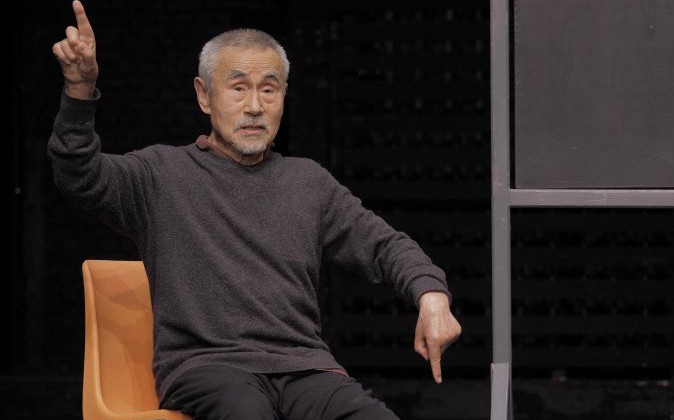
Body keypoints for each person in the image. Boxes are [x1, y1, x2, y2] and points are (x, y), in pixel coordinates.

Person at [49, 1, 462, 419]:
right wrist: (80, 92)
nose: (254, 106)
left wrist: (431, 295)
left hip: (303, 368)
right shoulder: (161, 174)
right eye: (238, 88)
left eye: (268, 89)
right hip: (209, 367)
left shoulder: (308, 182)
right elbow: (78, 174)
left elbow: (384, 245)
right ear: (204, 96)